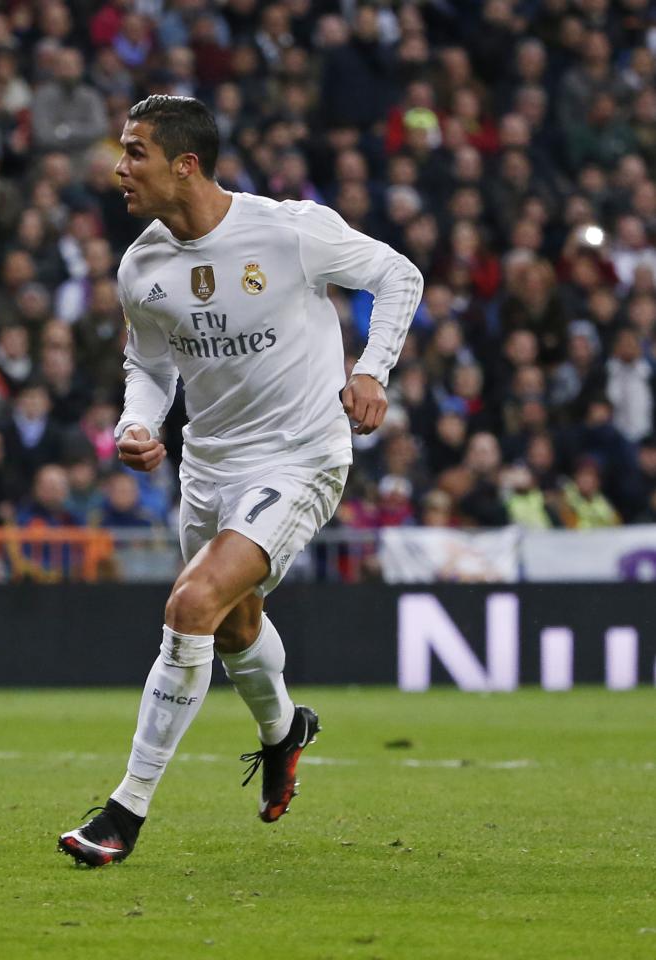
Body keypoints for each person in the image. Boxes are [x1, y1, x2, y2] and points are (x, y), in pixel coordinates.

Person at [58, 96, 420, 867]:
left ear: (184, 164)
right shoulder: (142, 265)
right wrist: (138, 422)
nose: (119, 168)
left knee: (191, 603)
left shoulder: (290, 231)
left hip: (300, 456)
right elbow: (149, 366)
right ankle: (285, 730)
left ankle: (124, 811)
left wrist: (371, 368)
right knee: (233, 626)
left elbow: (398, 276)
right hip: (209, 465)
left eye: (135, 152)